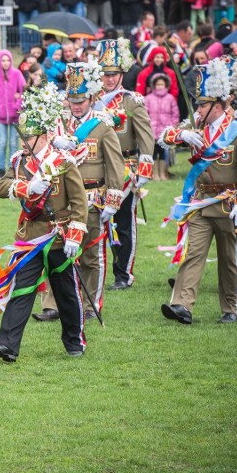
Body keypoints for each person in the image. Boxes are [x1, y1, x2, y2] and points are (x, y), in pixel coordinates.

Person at [0, 84, 88, 363]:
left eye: (28, 137)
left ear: (43, 137)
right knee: (22, 288)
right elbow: (1, 186)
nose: (23, 143)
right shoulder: (20, 161)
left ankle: (74, 340)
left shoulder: (63, 161)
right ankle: (7, 345)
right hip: (30, 235)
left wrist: (75, 236)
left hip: (58, 234)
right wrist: (27, 186)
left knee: (65, 291)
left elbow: (79, 202)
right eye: (22, 137)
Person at [160, 57, 237, 325]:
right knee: (193, 254)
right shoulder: (196, 125)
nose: (198, 109)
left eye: (203, 104)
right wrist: (182, 136)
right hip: (202, 201)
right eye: (198, 104)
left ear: (220, 104)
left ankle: (230, 308)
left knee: (228, 259)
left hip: (228, 202)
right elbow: (165, 136)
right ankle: (182, 305)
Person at [35, 60, 125, 322]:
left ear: (93, 98)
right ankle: (52, 304)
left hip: (92, 198)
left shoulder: (102, 125)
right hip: (60, 200)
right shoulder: (56, 125)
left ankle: (89, 305)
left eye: (82, 100)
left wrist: (113, 199)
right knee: (54, 252)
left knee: (90, 256)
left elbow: (114, 164)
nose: (76, 105)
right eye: (72, 100)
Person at [94, 38, 154, 291]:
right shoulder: (91, 100)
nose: (109, 79)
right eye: (105, 74)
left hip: (125, 166)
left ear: (122, 74)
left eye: (114, 74)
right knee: (97, 220)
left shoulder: (131, 101)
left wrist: (145, 168)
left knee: (123, 222)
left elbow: (146, 135)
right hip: (97, 167)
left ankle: (123, 274)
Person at [0, 49, 26, 178]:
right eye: (3, 60)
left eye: (8, 60)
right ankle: (0, 168)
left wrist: (17, 106)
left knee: (14, 143)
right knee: (2, 142)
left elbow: (23, 91)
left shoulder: (17, 74)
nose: (5, 63)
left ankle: (13, 168)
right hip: (0, 116)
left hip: (15, 116)